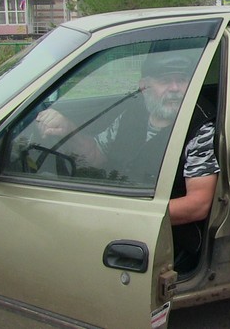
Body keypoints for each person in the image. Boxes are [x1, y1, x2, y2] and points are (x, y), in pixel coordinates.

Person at [36, 54, 219, 272]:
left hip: (170, 240)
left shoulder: (200, 128)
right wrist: (68, 130)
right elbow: (95, 154)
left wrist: (124, 217)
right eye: (165, 81)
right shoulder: (131, 113)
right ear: (144, 86)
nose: (174, 88)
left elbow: (198, 204)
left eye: (181, 80)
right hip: (125, 221)